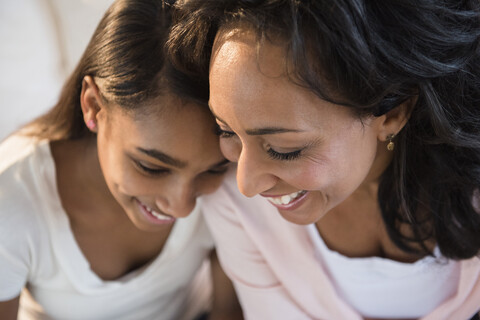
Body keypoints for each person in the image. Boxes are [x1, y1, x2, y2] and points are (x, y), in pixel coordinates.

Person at [168, 1, 480, 319]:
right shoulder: (236, 206)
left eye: (283, 149)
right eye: (226, 131)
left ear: (392, 114)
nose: (246, 183)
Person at [0, 0, 242, 319]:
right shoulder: (12, 201)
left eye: (212, 170)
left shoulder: (239, 173)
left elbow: (229, 312)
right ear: (92, 106)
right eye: (151, 167)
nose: (182, 207)